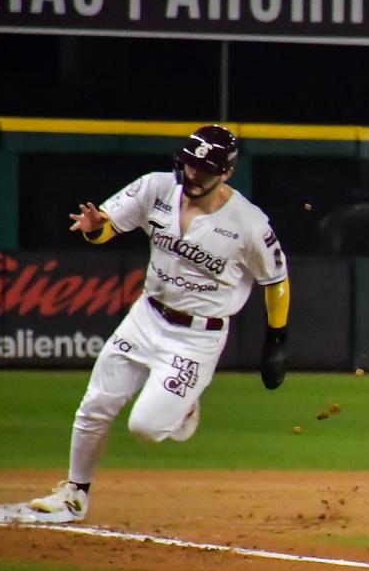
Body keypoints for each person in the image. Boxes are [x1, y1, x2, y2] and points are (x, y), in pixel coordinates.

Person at [29, 125, 292, 522]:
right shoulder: (156, 188)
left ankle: (182, 408)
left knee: (146, 428)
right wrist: (94, 229)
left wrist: (276, 340)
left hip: (196, 336)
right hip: (146, 316)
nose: (192, 175)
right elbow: (106, 227)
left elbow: (276, 281)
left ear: (226, 173)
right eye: (189, 165)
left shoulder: (249, 223)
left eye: (203, 170)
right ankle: (74, 493)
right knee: (96, 404)